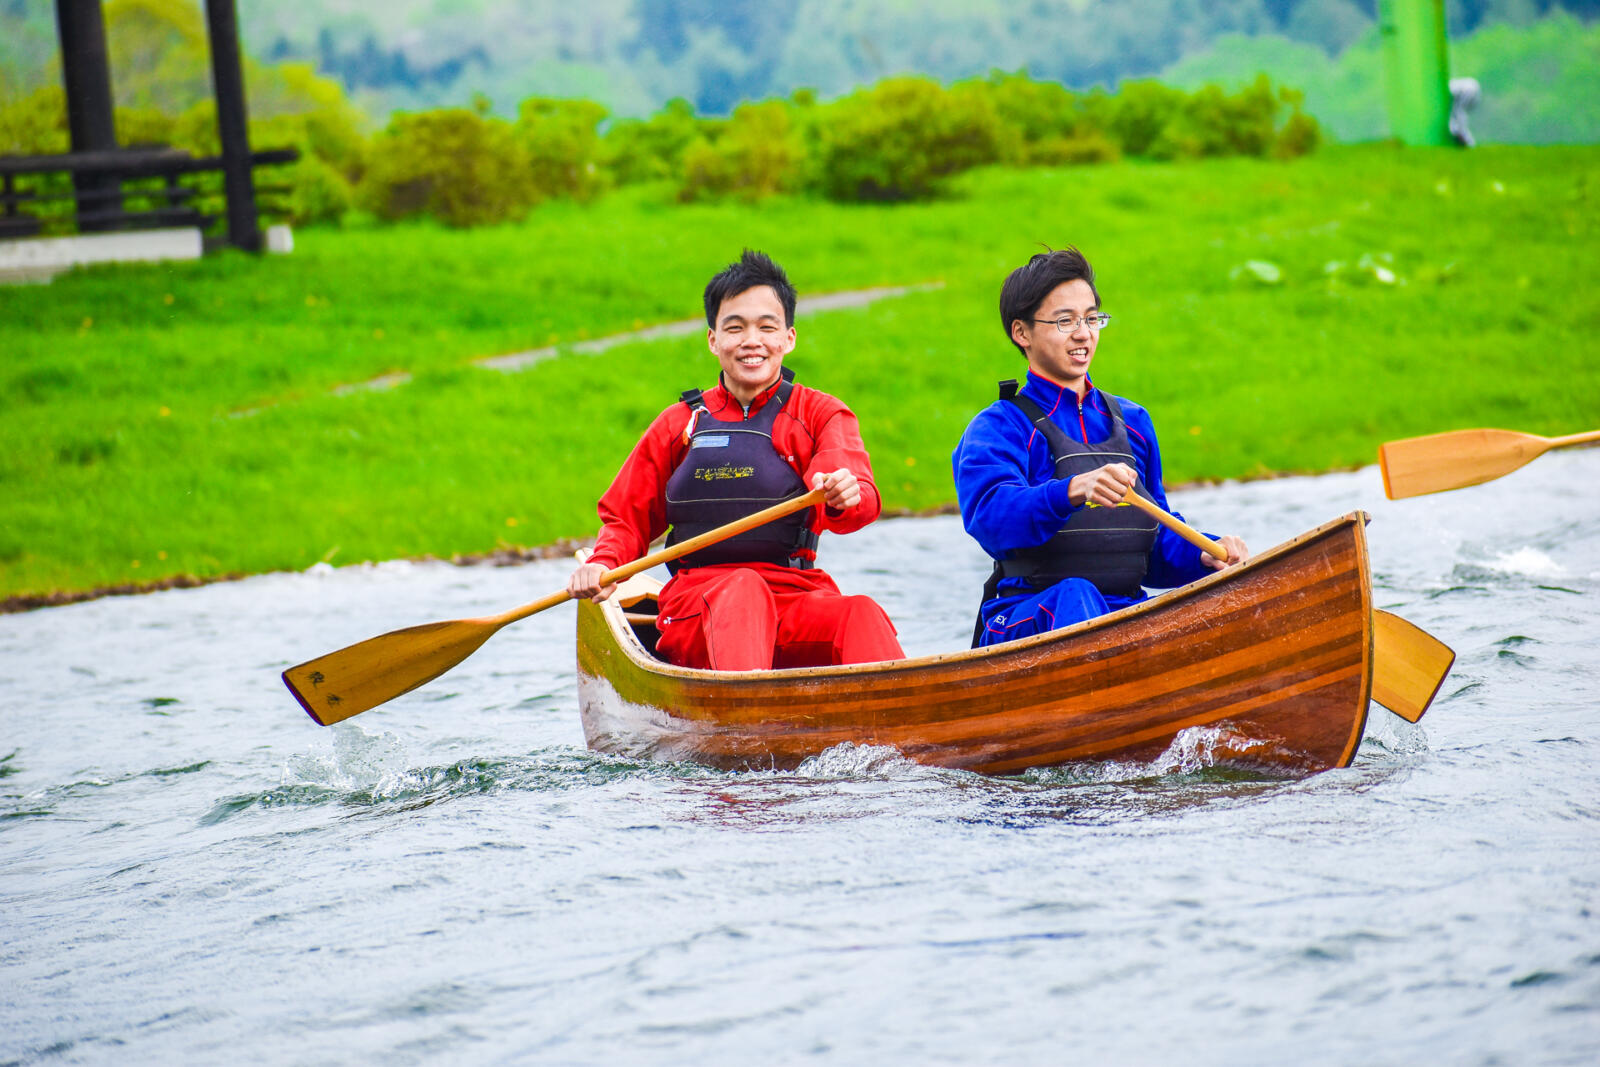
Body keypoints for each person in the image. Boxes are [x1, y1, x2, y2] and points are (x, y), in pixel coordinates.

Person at [566, 249, 905, 671]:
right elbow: (625, 520)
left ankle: (908, 711)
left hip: (795, 596)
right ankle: (749, 710)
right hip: (696, 605)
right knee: (743, 589)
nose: (751, 341)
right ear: (713, 340)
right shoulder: (678, 424)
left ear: (789, 338)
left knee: (859, 612)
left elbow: (856, 491)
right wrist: (603, 563)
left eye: (767, 327)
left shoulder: (821, 413)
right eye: (735, 327)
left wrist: (843, 492)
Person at [951, 247, 1248, 648]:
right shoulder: (998, 427)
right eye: (1065, 321)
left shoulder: (1134, 422)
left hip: (1124, 617)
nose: (1083, 333)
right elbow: (991, 519)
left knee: (1212, 604)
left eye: (1092, 319)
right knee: (1077, 594)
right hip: (1024, 619)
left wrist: (1203, 553)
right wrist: (1073, 490)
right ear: (1022, 333)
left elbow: (1152, 541)